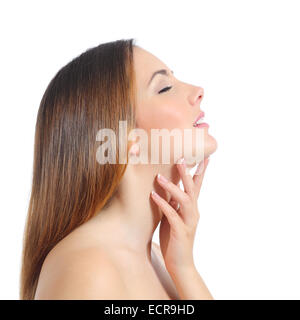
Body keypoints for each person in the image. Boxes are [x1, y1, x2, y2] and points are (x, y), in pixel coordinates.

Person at [20, 38, 218, 300]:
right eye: (165, 88)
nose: (197, 91)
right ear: (126, 140)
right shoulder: (86, 271)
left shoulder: (160, 258)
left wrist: (185, 270)